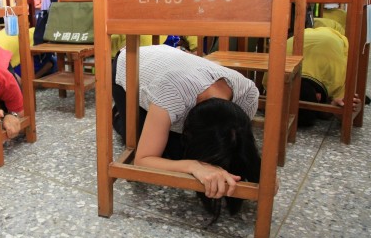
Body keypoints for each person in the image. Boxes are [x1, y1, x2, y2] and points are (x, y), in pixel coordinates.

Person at [112, 45, 262, 220]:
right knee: (163, 151)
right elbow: (142, 160)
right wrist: (194, 165)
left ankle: (156, 117)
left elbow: (239, 144)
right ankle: (118, 116)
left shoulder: (248, 96)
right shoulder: (172, 94)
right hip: (130, 61)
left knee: (176, 152)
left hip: (172, 69)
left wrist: (259, 172)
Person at [267, 26, 361, 127]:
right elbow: (347, 109)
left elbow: (348, 111)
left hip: (336, 31)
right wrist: (335, 108)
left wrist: (335, 108)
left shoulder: (336, 78)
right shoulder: (273, 78)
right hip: (304, 32)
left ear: (318, 96)